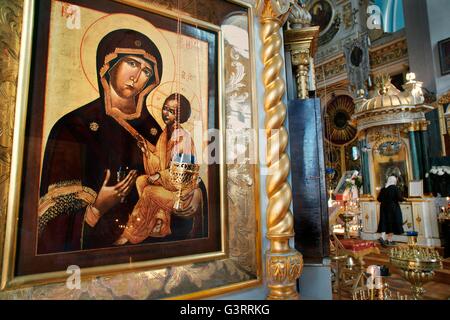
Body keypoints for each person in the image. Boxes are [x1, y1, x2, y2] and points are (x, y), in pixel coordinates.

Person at [37, 29, 203, 253]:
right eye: (131, 63)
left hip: (155, 252)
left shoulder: (156, 131)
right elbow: (50, 218)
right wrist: (96, 208)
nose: (136, 76)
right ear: (109, 65)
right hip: (99, 257)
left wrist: (197, 195)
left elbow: (181, 170)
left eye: (146, 70)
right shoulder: (74, 126)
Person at [115, 93, 197, 245]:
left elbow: (182, 175)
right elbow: (158, 165)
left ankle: (131, 233)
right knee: (141, 181)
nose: (166, 113)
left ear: (181, 116)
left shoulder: (183, 138)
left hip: (181, 194)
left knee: (150, 191)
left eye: (172, 111)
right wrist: (146, 150)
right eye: (165, 109)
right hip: (169, 186)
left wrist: (159, 176)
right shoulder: (165, 135)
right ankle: (157, 220)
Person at [376, 175, 404, 246]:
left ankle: (386, 239)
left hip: (384, 208)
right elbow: (400, 198)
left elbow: (378, 199)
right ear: (394, 181)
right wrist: (405, 199)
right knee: (393, 223)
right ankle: (387, 239)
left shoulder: (383, 189)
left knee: (384, 222)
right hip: (393, 208)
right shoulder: (395, 188)